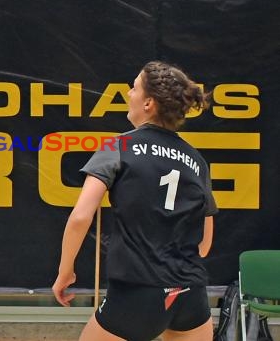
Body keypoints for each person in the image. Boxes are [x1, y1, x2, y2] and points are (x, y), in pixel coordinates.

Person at [52, 61, 217, 341]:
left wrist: (65, 271)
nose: (129, 93)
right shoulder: (197, 161)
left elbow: (80, 217)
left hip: (138, 290)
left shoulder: (118, 147)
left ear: (149, 103)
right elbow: (205, 243)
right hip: (190, 293)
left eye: (134, 88)